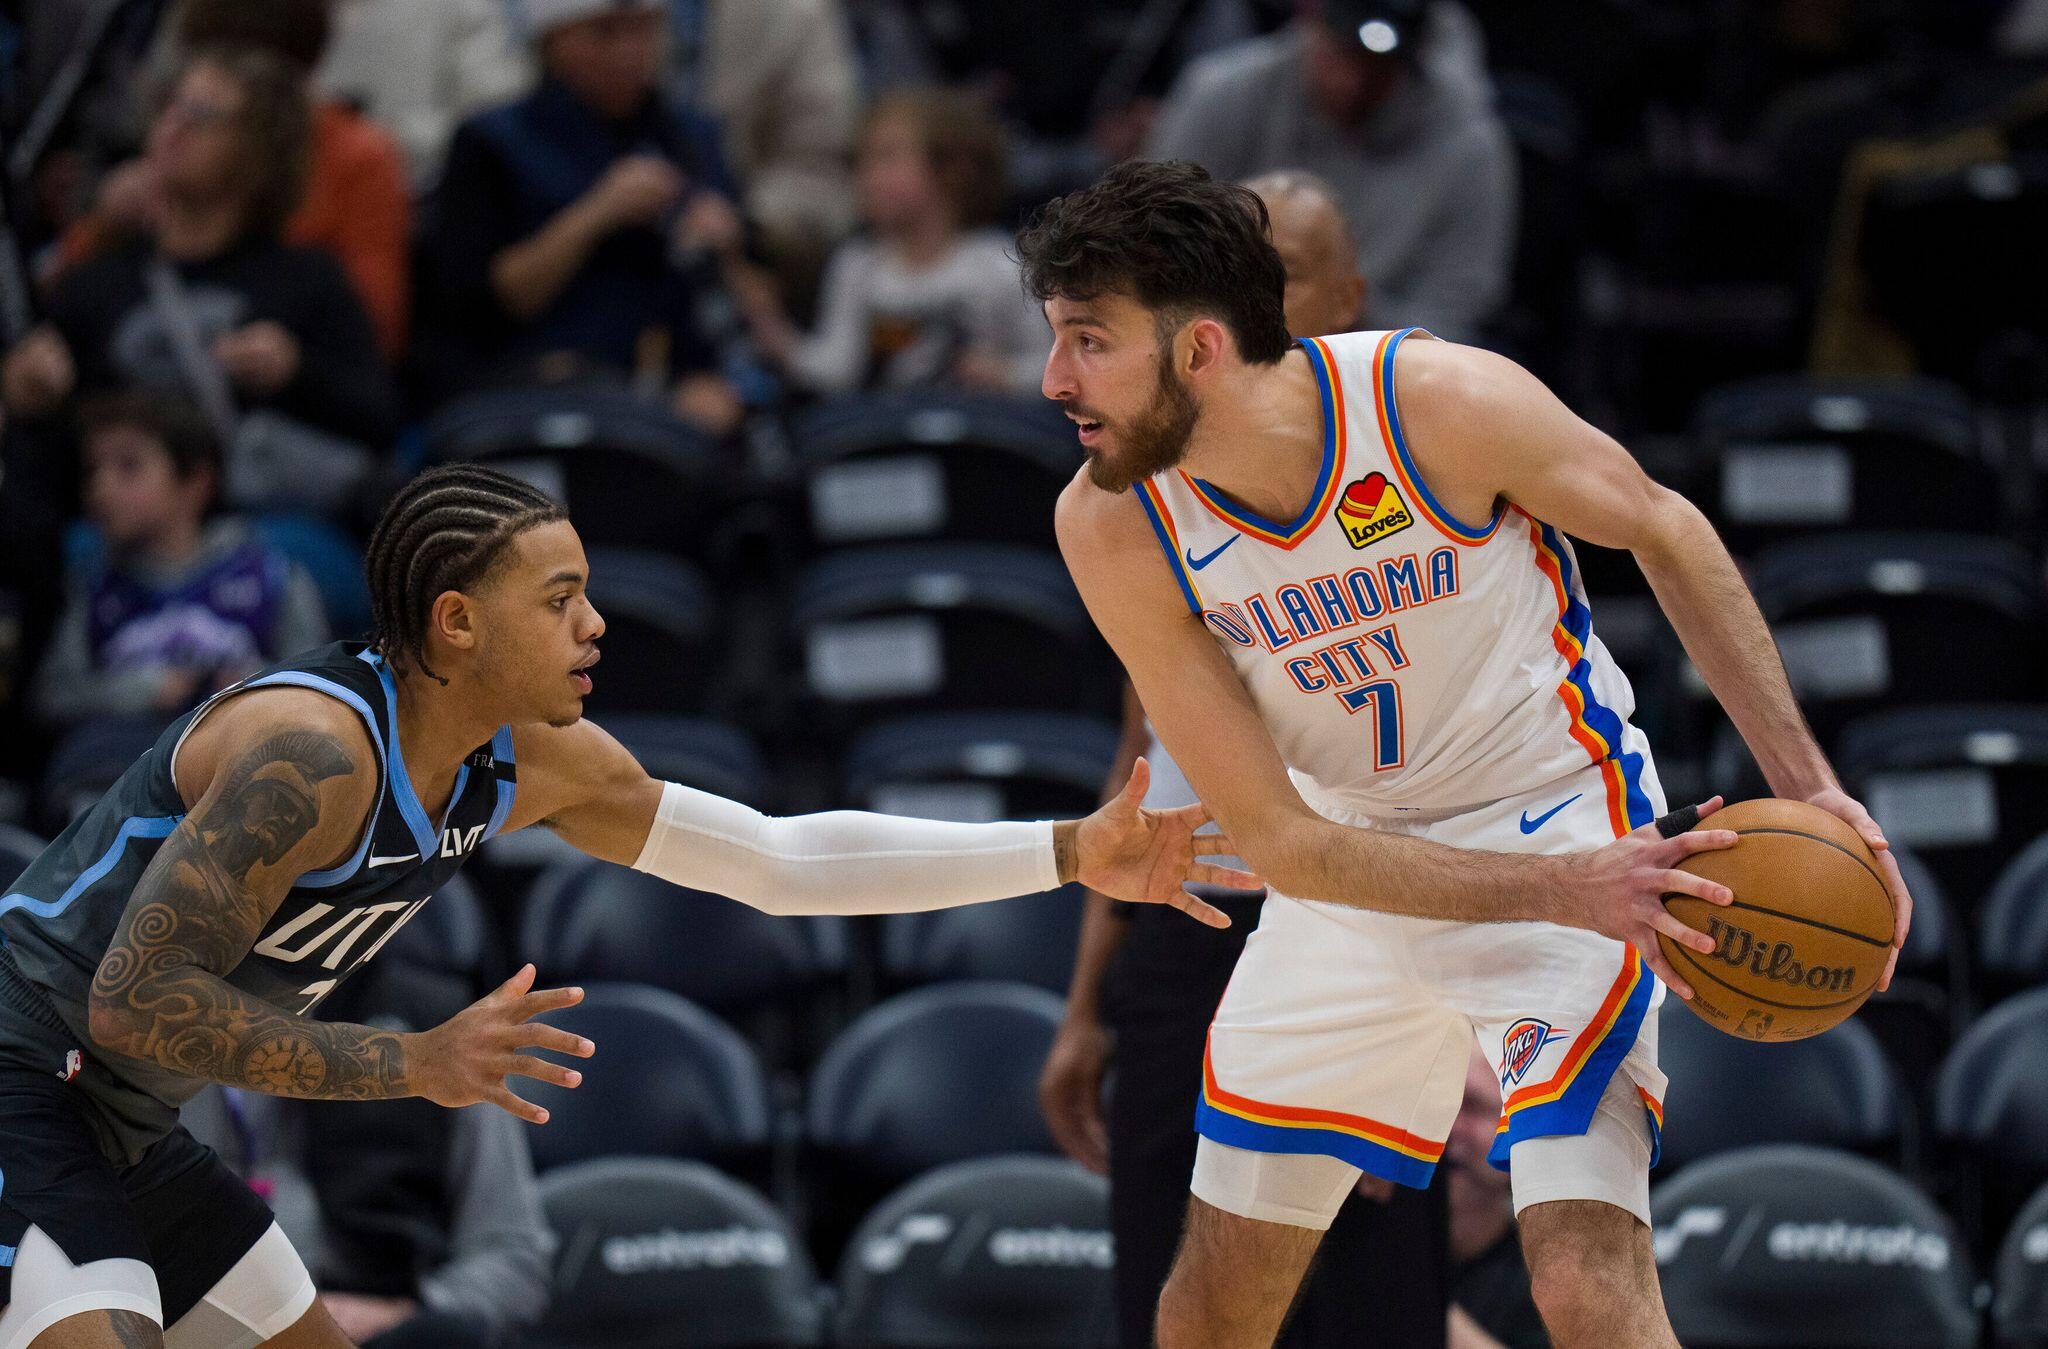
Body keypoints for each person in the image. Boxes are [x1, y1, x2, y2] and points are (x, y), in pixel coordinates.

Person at [0, 461, 1252, 1348]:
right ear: (456, 621)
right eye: (558, 600)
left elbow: (780, 862)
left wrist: (1067, 851)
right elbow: (131, 1003)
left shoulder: (529, 759)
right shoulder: (310, 755)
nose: (595, 624)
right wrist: (412, 1062)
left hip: (125, 1122)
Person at [1021, 159, 1913, 1348]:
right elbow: (1282, 842)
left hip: (1558, 814)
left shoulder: (1430, 400)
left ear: (1196, 349)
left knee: (1582, 1286)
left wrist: (1810, 792)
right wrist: (1562, 890)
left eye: (1087, 340)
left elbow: (1662, 526)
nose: (1052, 379)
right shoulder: (1109, 522)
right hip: (1350, 862)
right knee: (1204, 1311)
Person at [1040, 169, 1426, 1349]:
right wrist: (1085, 1004)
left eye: (1284, 271)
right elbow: (1138, 754)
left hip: (1366, 928)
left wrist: (1434, 1027)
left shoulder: (1404, 471)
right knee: (1168, 1303)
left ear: (1347, 296)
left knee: (1366, 1310)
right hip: (1190, 922)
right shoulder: (1136, 493)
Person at [0, 48, 400, 512]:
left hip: (260, 528)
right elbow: (50, 459)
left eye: (203, 114)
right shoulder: (98, 281)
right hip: (117, 534)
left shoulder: (307, 279)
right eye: (174, 104)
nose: (176, 125)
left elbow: (380, 421)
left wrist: (295, 373)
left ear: (259, 150)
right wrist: (24, 393)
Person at [418, 0, 749, 435]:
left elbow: (748, 313)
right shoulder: (493, 142)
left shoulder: (692, 137)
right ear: (552, 40)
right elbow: (480, 304)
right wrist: (597, 213)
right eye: (604, 32)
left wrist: (728, 250)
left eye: (644, 29)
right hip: (532, 391)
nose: (629, 51)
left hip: (678, 391)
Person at [182, 960, 551, 1349]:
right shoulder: (165, 1023)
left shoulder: (440, 1025)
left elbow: (513, 1260)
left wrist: (403, 1314)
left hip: (384, 1323)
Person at [1146, 0, 1515, 341]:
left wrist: (1347, 326)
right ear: (1310, 19)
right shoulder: (1223, 94)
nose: (1352, 84)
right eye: (1342, 54)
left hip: (1375, 369)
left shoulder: (1469, 147)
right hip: (1208, 334)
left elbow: (1453, 314)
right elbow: (1153, 241)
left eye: (1376, 66)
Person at [31, 392, 329, 730]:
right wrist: (135, 692)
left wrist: (253, 687)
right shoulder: (94, 589)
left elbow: (318, 688)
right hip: (124, 754)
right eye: (92, 471)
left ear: (195, 481)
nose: (100, 488)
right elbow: (53, 697)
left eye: (128, 466)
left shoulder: (271, 576)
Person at [744, 88, 1047, 397]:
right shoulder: (857, 265)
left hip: (976, 420)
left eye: (887, 158)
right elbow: (837, 371)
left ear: (955, 170)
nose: (868, 177)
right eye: (862, 162)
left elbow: (1051, 364)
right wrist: (773, 328)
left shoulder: (999, 263)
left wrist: (1006, 375)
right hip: (884, 420)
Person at [1445, 1048, 1548, 1349]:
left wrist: (1419, 1307)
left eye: (1472, 1106)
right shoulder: (1366, 1238)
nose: (1450, 1129)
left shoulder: (1544, 1278)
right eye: (1441, 1107)